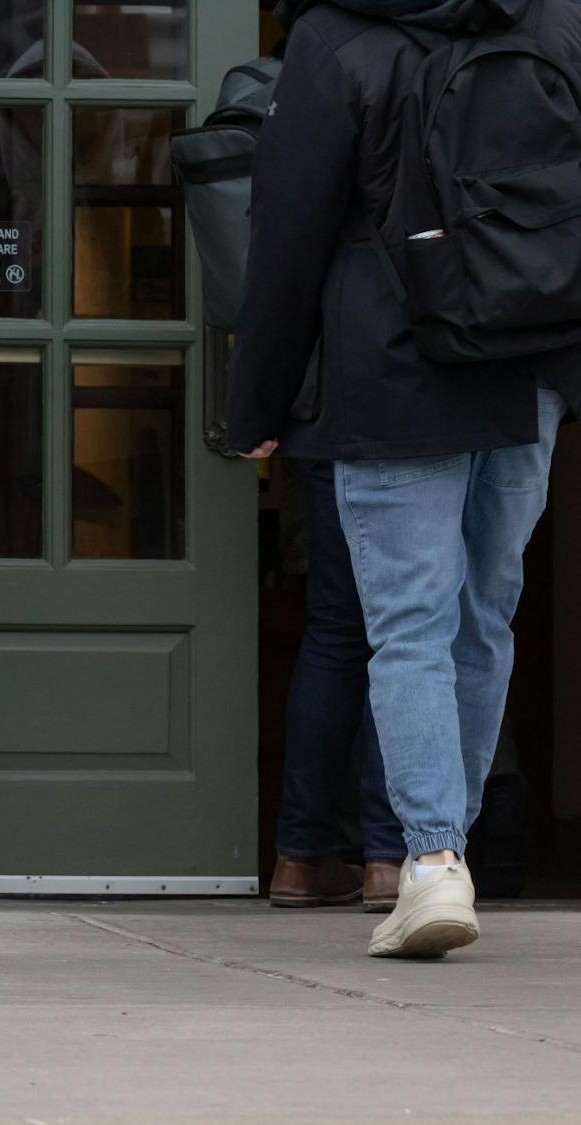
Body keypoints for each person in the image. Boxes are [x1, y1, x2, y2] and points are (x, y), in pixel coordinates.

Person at [227, 0, 581, 956]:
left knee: (408, 624)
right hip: (529, 360)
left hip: (390, 367)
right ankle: (446, 848)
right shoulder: (554, 22)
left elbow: (287, 229)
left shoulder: (337, 38)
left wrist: (254, 405)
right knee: (484, 615)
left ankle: (430, 862)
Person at [271, 458, 405, 912]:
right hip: (420, 434)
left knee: (333, 634)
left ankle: (299, 859)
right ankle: (388, 859)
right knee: (404, 636)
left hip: (330, 423)